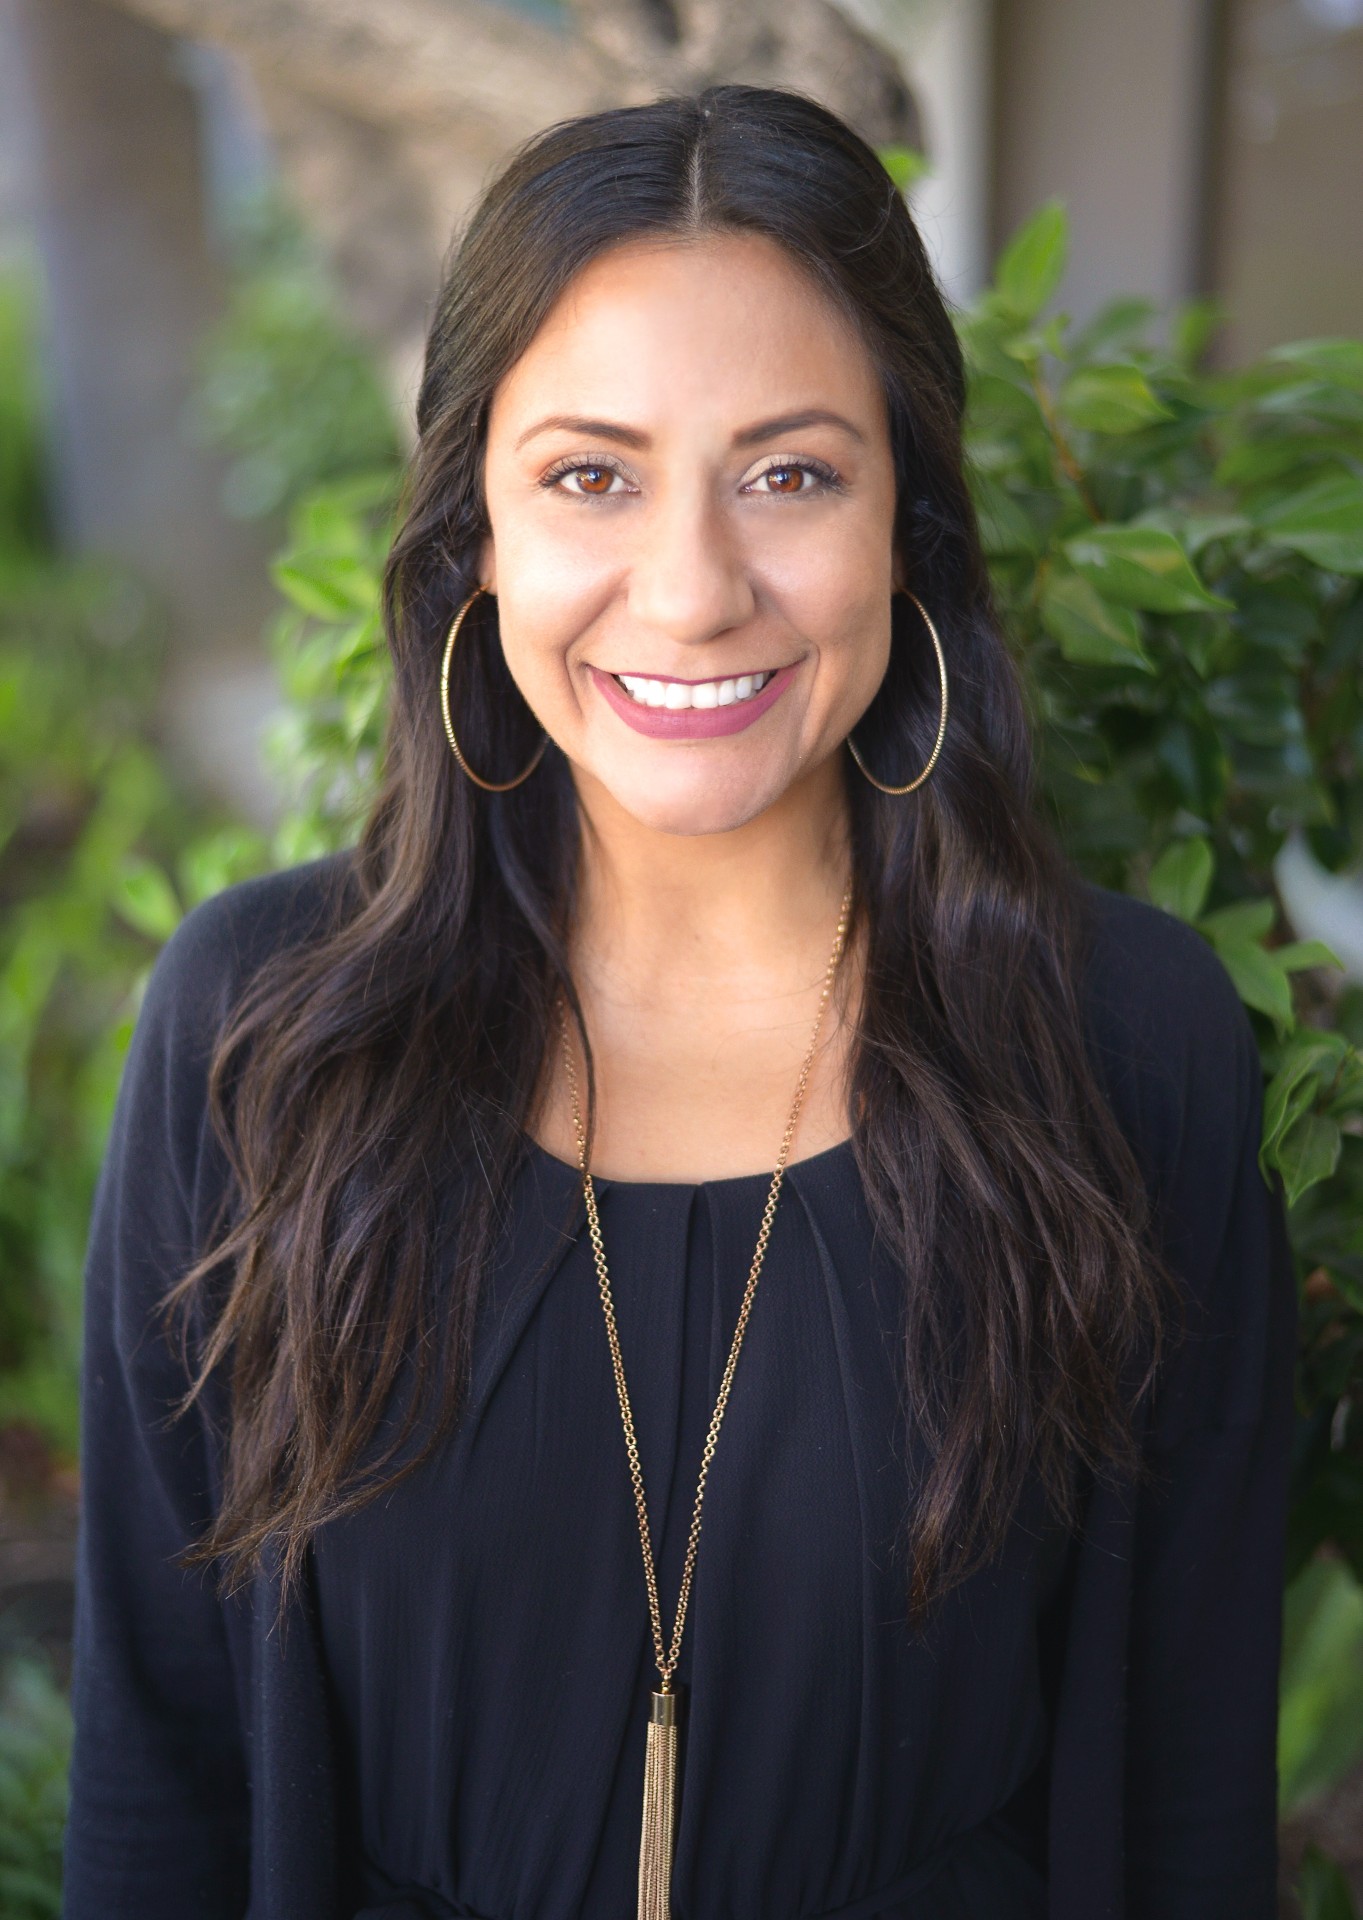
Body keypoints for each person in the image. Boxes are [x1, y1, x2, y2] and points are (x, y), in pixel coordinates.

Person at [62, 85, 1297, 1920]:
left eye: (792, 472)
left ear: (910, 527)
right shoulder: (260, 1037)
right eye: (591, 475)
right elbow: (159, 1787)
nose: (694, 587)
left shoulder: (1129, 1045)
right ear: (477, 532)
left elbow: (1185, 1794)